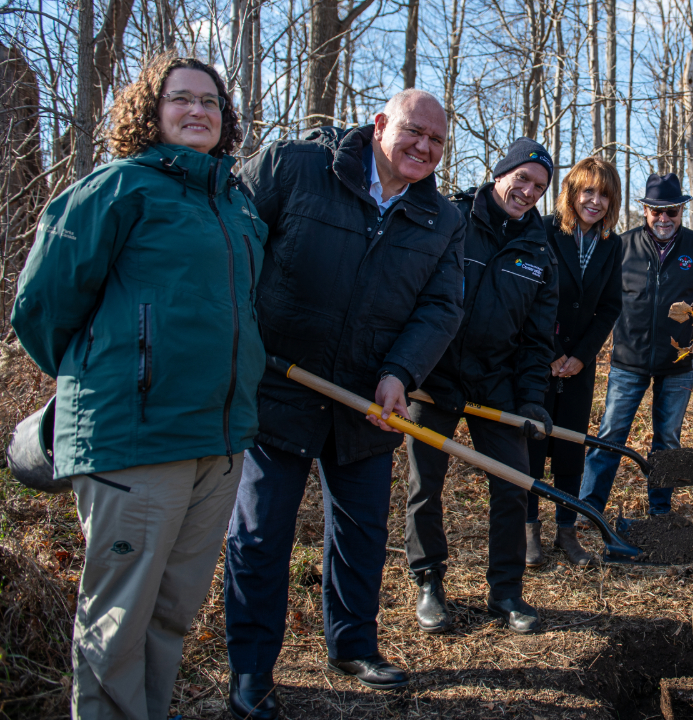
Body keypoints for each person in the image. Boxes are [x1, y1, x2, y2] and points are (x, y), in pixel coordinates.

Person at [11, 53, 265, 720]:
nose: (197, 111)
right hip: (137, 441)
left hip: (219, 439)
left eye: (210, 102)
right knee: (117, 619)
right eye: (180, 99)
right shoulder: (117, 188)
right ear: (149, 113)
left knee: (172, 612)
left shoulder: (236, 205)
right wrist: (113, 377)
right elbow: (43, 306)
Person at [222, 89, 466, 719]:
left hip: (366, 398)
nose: (424, 149)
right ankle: (251, 669)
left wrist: (400, 372)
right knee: (260, 533)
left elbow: (441, 307)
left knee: (360, 531)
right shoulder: (295, 168)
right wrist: (239, 339)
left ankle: (353, 645)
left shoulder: (442, 219)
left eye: (437, 141)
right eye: (414, 132)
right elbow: (229, 241)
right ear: (379, 124)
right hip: (278, 385)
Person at [406, 138, 559, 636]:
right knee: (425, 483)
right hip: (436, 376)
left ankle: (506, 592)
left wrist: (532, 398)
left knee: (513, 482)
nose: (529, 191)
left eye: (539, 187)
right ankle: (429, 582)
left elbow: (538, 339)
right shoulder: (449, 218)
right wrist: (419, 370)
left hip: (497, 381)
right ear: (501, 172)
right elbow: (414, 296)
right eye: (523, 179)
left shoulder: (540, 250)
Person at [577, 173, 693, 521]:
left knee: (668, 440)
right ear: (644, 210)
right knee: (610, 435)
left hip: (679, 364)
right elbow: (600, 300)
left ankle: (660, 509)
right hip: (628, 360)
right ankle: (589, 507)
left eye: (671, 211)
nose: (664, 219)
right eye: (656, 211)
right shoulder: (621, 245)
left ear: (682, 210)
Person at [525, 157, 624, 567]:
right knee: (531, 445)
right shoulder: (544, 230)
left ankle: (566, 531)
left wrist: (582, 356)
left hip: (579, 367)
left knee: (570, 449)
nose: (595, 201)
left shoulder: (611, 244)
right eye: (588, 191)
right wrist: (551, 352)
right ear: (572, 192)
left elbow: (609, 306)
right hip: (538, 358)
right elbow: (527, 294)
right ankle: (528, 531)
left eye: (604, 194)